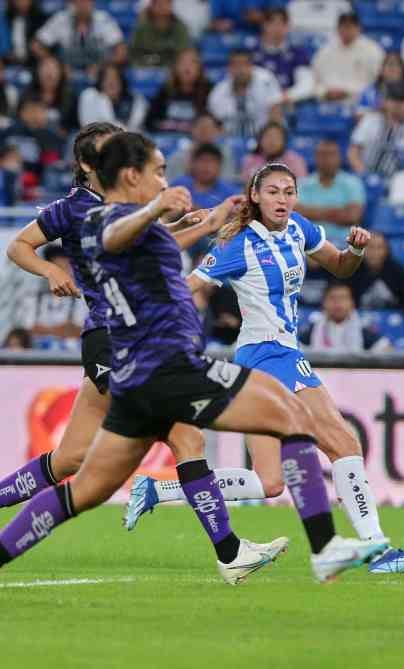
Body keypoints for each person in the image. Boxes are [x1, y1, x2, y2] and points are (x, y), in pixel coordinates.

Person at [0, 126, 296, 583]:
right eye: (110, 154)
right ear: (87, 165)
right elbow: (19, 245)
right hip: (116, 339)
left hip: (123, 340)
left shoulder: (126, 210)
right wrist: (48, 271)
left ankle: (231, 550)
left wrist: (185, 223)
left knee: (69, 458)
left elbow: (148, 244)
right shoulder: (76, 210)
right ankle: (230, 550)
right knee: (187, 439)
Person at [176, 162, 404, 573]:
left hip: (277, 354)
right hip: (266, 355)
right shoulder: (238, 244)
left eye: (289, 191)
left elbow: (340, 267)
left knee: (269, 480)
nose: (283, 199)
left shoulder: (299, 227)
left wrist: (354, 250)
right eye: (274, 192)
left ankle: (164, 490)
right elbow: (187, 287)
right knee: (343, 444)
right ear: (255, 196)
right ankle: (377, 548)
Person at [348, 84, 404, 178]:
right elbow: (353, 152)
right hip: (369, 175)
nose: (398, 105)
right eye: (393, 100)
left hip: (402, 180)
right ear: (384, 101)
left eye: (402, 101)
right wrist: (363, 173)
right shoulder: (370, 120)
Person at [19, 245, 87, 346]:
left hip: (71, 357)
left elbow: (80, 331)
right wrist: (63, 330)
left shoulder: (84, 297)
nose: (62, 274)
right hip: (36, 356)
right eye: (58, 268)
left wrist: (43, 330)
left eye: (65, 268)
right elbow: (27, 332)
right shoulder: (32, 297)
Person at [32, 0, 126, 74]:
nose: (82, 4)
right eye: (79, 0)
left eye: (86, 1)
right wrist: (57, 65)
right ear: (72, 2)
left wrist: (102, 66)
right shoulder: (60, 19)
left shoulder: (103, 19)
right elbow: (36, 45)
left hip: (98, 70)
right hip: (64, 72)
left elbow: (121, 51)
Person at [296, 140, 366, 238]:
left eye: (331, 155)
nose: (327, 159)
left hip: (344, 242)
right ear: (315, 157)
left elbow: (352, 216)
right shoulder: (303, 184)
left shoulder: (353, 182)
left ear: (339, 158)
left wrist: (312, 212)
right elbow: (296, 214)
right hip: (309, 242)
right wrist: (337, 212)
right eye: (322, 155)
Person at [311, 12, 385, 105]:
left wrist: (349, 92)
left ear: (358, 28)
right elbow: (314, 81)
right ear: (337, 28)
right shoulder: (324, 51)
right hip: (327, 102)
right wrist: (325, 92)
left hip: (360, 103)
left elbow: (378, 82)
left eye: (350, 27)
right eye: (343, 26)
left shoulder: (373, 51)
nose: (346, 31)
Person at [208, 49, 282, 139]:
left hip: (264, 138)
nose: (241, 70)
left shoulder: (266, 81)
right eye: (236, 65)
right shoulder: (218, 93)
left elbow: (276, 115)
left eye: (245, 64)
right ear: (229, 68)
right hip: (230, 139)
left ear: (251, 66)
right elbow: (214, 125)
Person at [344, 232, 404, 317]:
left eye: (379, 247)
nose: (374, 252)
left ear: (386, 250)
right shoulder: (351, 269)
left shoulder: (398, 272)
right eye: (370, 247)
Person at [0, 96, 64, 191]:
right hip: (7, 171)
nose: (34, 115)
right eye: (31, 111)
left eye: (39, 111)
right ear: (22, 113)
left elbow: (51, 162)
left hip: (35, 176)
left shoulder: (50, 136)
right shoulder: (9, 131)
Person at [145, 48, 213, 135]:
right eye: (183, 63)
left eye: (192, 63)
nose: (187, 68)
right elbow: (149, 122)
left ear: (200, 68)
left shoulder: (209, 92)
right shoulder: (165, 92)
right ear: (176, 67)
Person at [303, 283, 388, 353]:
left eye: (342, 298)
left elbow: (386, 348)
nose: (337, 303)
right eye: (332, 298)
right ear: (324, 303)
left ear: (352, 303)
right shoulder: (314, 328)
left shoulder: (362, 328)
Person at [254, 8, 312, 102]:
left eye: (281, 24)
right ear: (264, 25)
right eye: (272, 23)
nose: (277, 28)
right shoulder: (253, 53)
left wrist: (288, 96)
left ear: (288, 27)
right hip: (261, 104)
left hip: (290, 102)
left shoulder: (298, 52)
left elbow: (306, 84)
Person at [166, 113, 239, 183]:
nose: (205, 132)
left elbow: (228, 181)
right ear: (192, 130)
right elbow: (171, 183)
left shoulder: (225, 155)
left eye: (209, 128)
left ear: (217, 132)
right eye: (201, 128)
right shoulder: (178, 157)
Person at [171, 143, 241, 212]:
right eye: (202, 160)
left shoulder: (231, 194)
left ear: (219, 166)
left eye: (212, 161)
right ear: (193, 164)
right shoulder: (178, 185)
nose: (206, 166)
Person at [77, 63, 148, 131]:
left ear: (122, 81)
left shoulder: (135, 99)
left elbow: (136, 125)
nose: (111, 82)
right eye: (107, 78)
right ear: (101, 81)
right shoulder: (89, 95)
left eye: (115, 78)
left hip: (129, 138)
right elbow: (88, 125)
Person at [128, 0, 191, 68]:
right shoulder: (141, 27)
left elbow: (183, 53)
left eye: (166, 3)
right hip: (145, 66)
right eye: (159, 3)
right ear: (152, 5)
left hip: (172, 67)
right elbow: (134, 53)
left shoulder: (180, 27)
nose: (162, 7)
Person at [240, 121, 308, 183]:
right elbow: (246, 186)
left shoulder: (295, 161)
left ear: (284, 141)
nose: (272, 141)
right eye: (268, 136)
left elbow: (301, 187)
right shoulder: (250, 160)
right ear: (260, 139)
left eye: (276, 137)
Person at [25, 55, 77, 133]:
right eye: (45, 68)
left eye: (53, 68)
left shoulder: (70, 95)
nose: (49, 72)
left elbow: (74, 124)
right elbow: (22, 121)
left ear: (60, 73)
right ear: (38, 73)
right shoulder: (28, 94)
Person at [2, 0, 49, 68]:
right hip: (10, 64)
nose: (22, 2)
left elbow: (41, 45)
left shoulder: (40, 18)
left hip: (34, 63)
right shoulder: (6, 18)